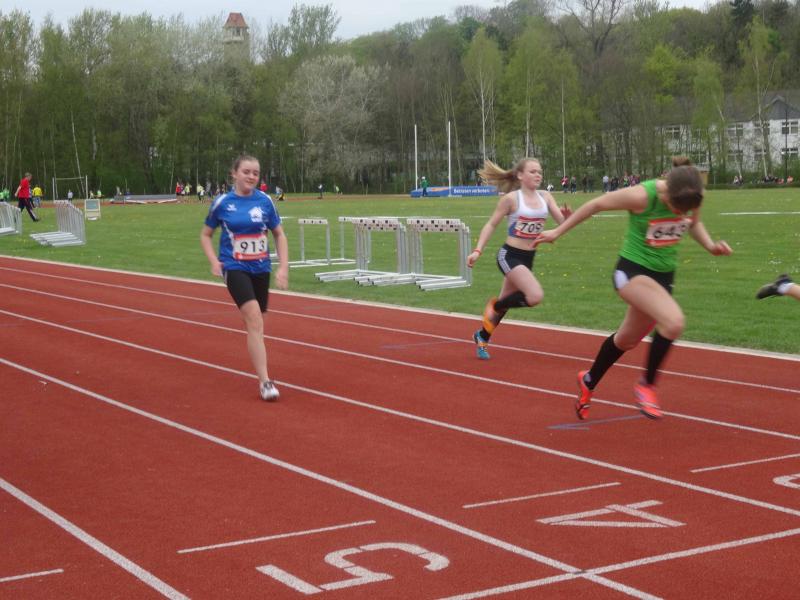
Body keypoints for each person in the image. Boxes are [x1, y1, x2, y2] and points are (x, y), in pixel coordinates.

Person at [535, 157, 732, 420]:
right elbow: (596, 204)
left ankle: (589, 380)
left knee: (626, 340)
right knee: (674, 322)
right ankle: (647, 385)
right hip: (631, 273)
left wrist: (710, 246)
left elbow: (693, 223)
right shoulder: (642, 196)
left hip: (663, 278)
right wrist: (557, 232)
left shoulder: (693, 194)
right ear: (667, 192)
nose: (678, 213)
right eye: (674, 207)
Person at [200, 154, 289, 401]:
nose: (251, 176)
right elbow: (206, 234)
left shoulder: (265, 201)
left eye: (255, 173)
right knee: (254, 318)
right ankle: (265, 382)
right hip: (234, 266)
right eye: (246, 172)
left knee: (257, 324)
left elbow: (279, 234)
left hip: (261, 268)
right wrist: (214, 261)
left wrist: (283, 267)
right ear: (234, 173)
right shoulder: (222, 203)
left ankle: (258, 356)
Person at [466, 157, 571, 360]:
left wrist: (567, 218)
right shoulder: (511, 199)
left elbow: (562, 224)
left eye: (539, 171)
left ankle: (482, 336)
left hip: (528, 257)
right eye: (532, 171)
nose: (538, 175)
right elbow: (491, 224)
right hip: (509, 256)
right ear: (520, 175)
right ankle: (494, 306)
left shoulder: (546, 197)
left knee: (506, 303)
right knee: (534, 296)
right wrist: (477, 250)